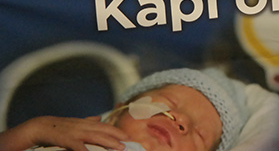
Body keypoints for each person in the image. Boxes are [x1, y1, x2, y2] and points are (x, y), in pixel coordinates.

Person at [0, 67, 250, 151]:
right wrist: (33, 131)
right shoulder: (61, 137)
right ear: (118, 111)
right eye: (169, 103)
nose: (181, 120)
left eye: (200, 134)